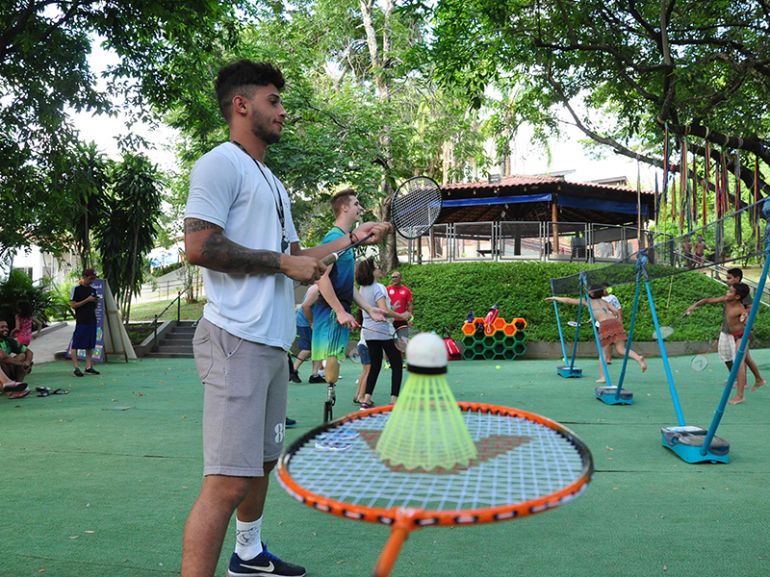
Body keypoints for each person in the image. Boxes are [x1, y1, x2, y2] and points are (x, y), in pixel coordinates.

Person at [181, 59, 389, 577]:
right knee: (227, 481)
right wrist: (280, 261)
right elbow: (198, 246)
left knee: (263, 465)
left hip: (271, 343)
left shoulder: (271, 181)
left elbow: (302, 257)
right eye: (273, 101)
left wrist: (354, 238)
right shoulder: (219, 164)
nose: (282, 111)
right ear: (241, 104)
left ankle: (248, 554)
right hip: (234, 338)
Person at [310, 189, 386, 408]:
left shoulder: (347, 244)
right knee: (331, 371)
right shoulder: (334, 239)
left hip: (339, 311)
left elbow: (347, 286)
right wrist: (340, 311)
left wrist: (369, 309)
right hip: (331, 313)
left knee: (334, 370)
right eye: (355, 204)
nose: (359, 208)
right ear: (344, 208)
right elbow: (321, 278)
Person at [546, 287, 647, 383]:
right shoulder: (604, 301)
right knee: (621, 349)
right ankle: (639, 358)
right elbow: (615, 311)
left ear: (591, 293)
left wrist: (555, 298)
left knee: (602, 353)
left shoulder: (588, 301)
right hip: (615, 322)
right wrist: (596, 317)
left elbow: (568, 300)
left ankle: (603, 377)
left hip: (605, 325)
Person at [355, 257, 411, 408]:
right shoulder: (378, 288)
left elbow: (379, 307)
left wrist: (394, 306)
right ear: (372, 272)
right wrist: (401, 315)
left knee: (375, 365)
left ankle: (366, 399)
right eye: (377, 267)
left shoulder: (362, 289)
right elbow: (384, 312)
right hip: (383, 331)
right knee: (397, 364)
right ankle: (394, 400)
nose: (380, 269)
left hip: (368, 332)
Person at [685, 283, 752, 404]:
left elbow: (747, 321)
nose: (727, 293)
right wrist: (693, 306)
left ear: (737, 297)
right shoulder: (726, 300)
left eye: (730, 292)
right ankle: (735, 377)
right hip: (726, 334)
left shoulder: (740, 309)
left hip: (739, 337)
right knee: (726, 358)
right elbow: (707, 300)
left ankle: (740, 395)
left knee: (739, 363)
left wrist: (745, 318)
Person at [69, 268, 101, 377]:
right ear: (85, 277)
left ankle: (88, 366)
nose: (92, 280)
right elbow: (73, 305)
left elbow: (94, 305)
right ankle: (76, 367)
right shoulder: (76, 289)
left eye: (93, 278)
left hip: (92, 319)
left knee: (90, 344)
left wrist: (95, 301)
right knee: (76, 344)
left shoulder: (93, 290)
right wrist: (87, 300)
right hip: (81, 320)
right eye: (90, 278)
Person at [291, 284, 324, 383]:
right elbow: (306, 306)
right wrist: (311, 322)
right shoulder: (316, 289)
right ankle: (293, 370)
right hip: (305, 322)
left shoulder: (324, 287)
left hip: (315, 322)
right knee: (307, 347)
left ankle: (315, 375)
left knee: (318, 347)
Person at [0, 319, 34, 386]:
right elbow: (3, 357)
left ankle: (19, 384)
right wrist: (22, 364)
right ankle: (7, 386)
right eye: (2, 327)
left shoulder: (9, 340)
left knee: (22, 355)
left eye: (6, 327)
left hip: (7, 369)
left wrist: (27, 362)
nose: (5, 329)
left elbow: (29, 352)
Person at [387, 270, 413, 341]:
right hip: (391, 320)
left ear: (401, 278)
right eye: (392, 277)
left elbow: (410, 305)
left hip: (402, 320)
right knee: (390, 343)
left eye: (396, 277)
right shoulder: (387, 289)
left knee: (403, 342)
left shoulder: (406, 290)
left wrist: (410, 318)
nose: (394, 279)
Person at [601, 284, 622, 364]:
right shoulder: (599, 298)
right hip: (599, 323)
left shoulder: (613, 297)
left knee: (609, 341)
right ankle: (604, 358)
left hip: (610, 322)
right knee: (602, 341)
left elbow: (618, 308)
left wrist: (619, 319)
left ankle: (608, 358)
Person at [353, 336, 371, 405]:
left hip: (361, 345)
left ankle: (357, 395)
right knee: (368, 372)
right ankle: (361, 397)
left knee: (365, 371)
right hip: (365, 347)